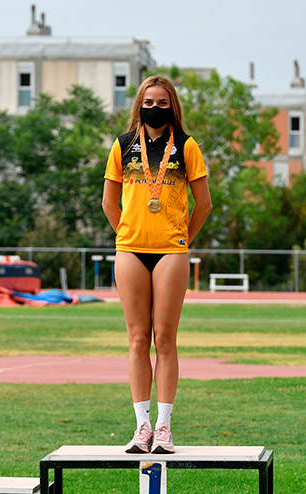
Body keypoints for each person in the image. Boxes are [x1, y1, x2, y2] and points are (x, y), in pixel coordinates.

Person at [102, 75, 212, 454]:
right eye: (149, 101)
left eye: (163, 102)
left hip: (171, 252)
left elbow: (204, 204)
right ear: (139, 104)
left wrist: (182, 237)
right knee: (136, 339)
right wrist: (128, 234)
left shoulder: (186, 146)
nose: (155, 108)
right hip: (130, 250)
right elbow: (108, 203)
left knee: (164, 339)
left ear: (172, 106)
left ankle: (164, 427)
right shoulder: (123, 145)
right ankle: (141, 426)